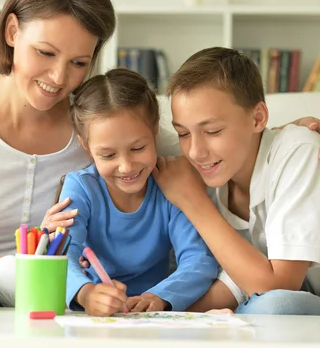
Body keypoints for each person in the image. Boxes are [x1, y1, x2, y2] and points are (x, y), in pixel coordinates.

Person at [0, 0, 320, 348]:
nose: (59, 77)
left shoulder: (100, 124)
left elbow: (199, 137)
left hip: (39, 310)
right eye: (45, 52)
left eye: (79, 62)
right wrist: (19, 267)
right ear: (12, 31)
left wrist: (289, 131)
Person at [152, 47, 320, 334]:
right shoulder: (217, 167)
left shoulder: (300, 152)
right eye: (183, 133)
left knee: (273, 308)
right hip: (291, 299)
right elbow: (241, 278)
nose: (196, 150)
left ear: (257, 119)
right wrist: (165, 316)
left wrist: (193, 202)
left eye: (213, 131)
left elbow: (276, 287)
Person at [62, 69, 218, 316]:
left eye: (138, 148)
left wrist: (160, 296)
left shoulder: (170, 185)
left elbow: (199, 260)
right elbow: (61, 255)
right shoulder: (81, 187)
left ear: (155, 130)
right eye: (108, 155)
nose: (126, 167)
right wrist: (86, 293)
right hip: (91, 315)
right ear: (86, 146)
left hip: (155, 315)